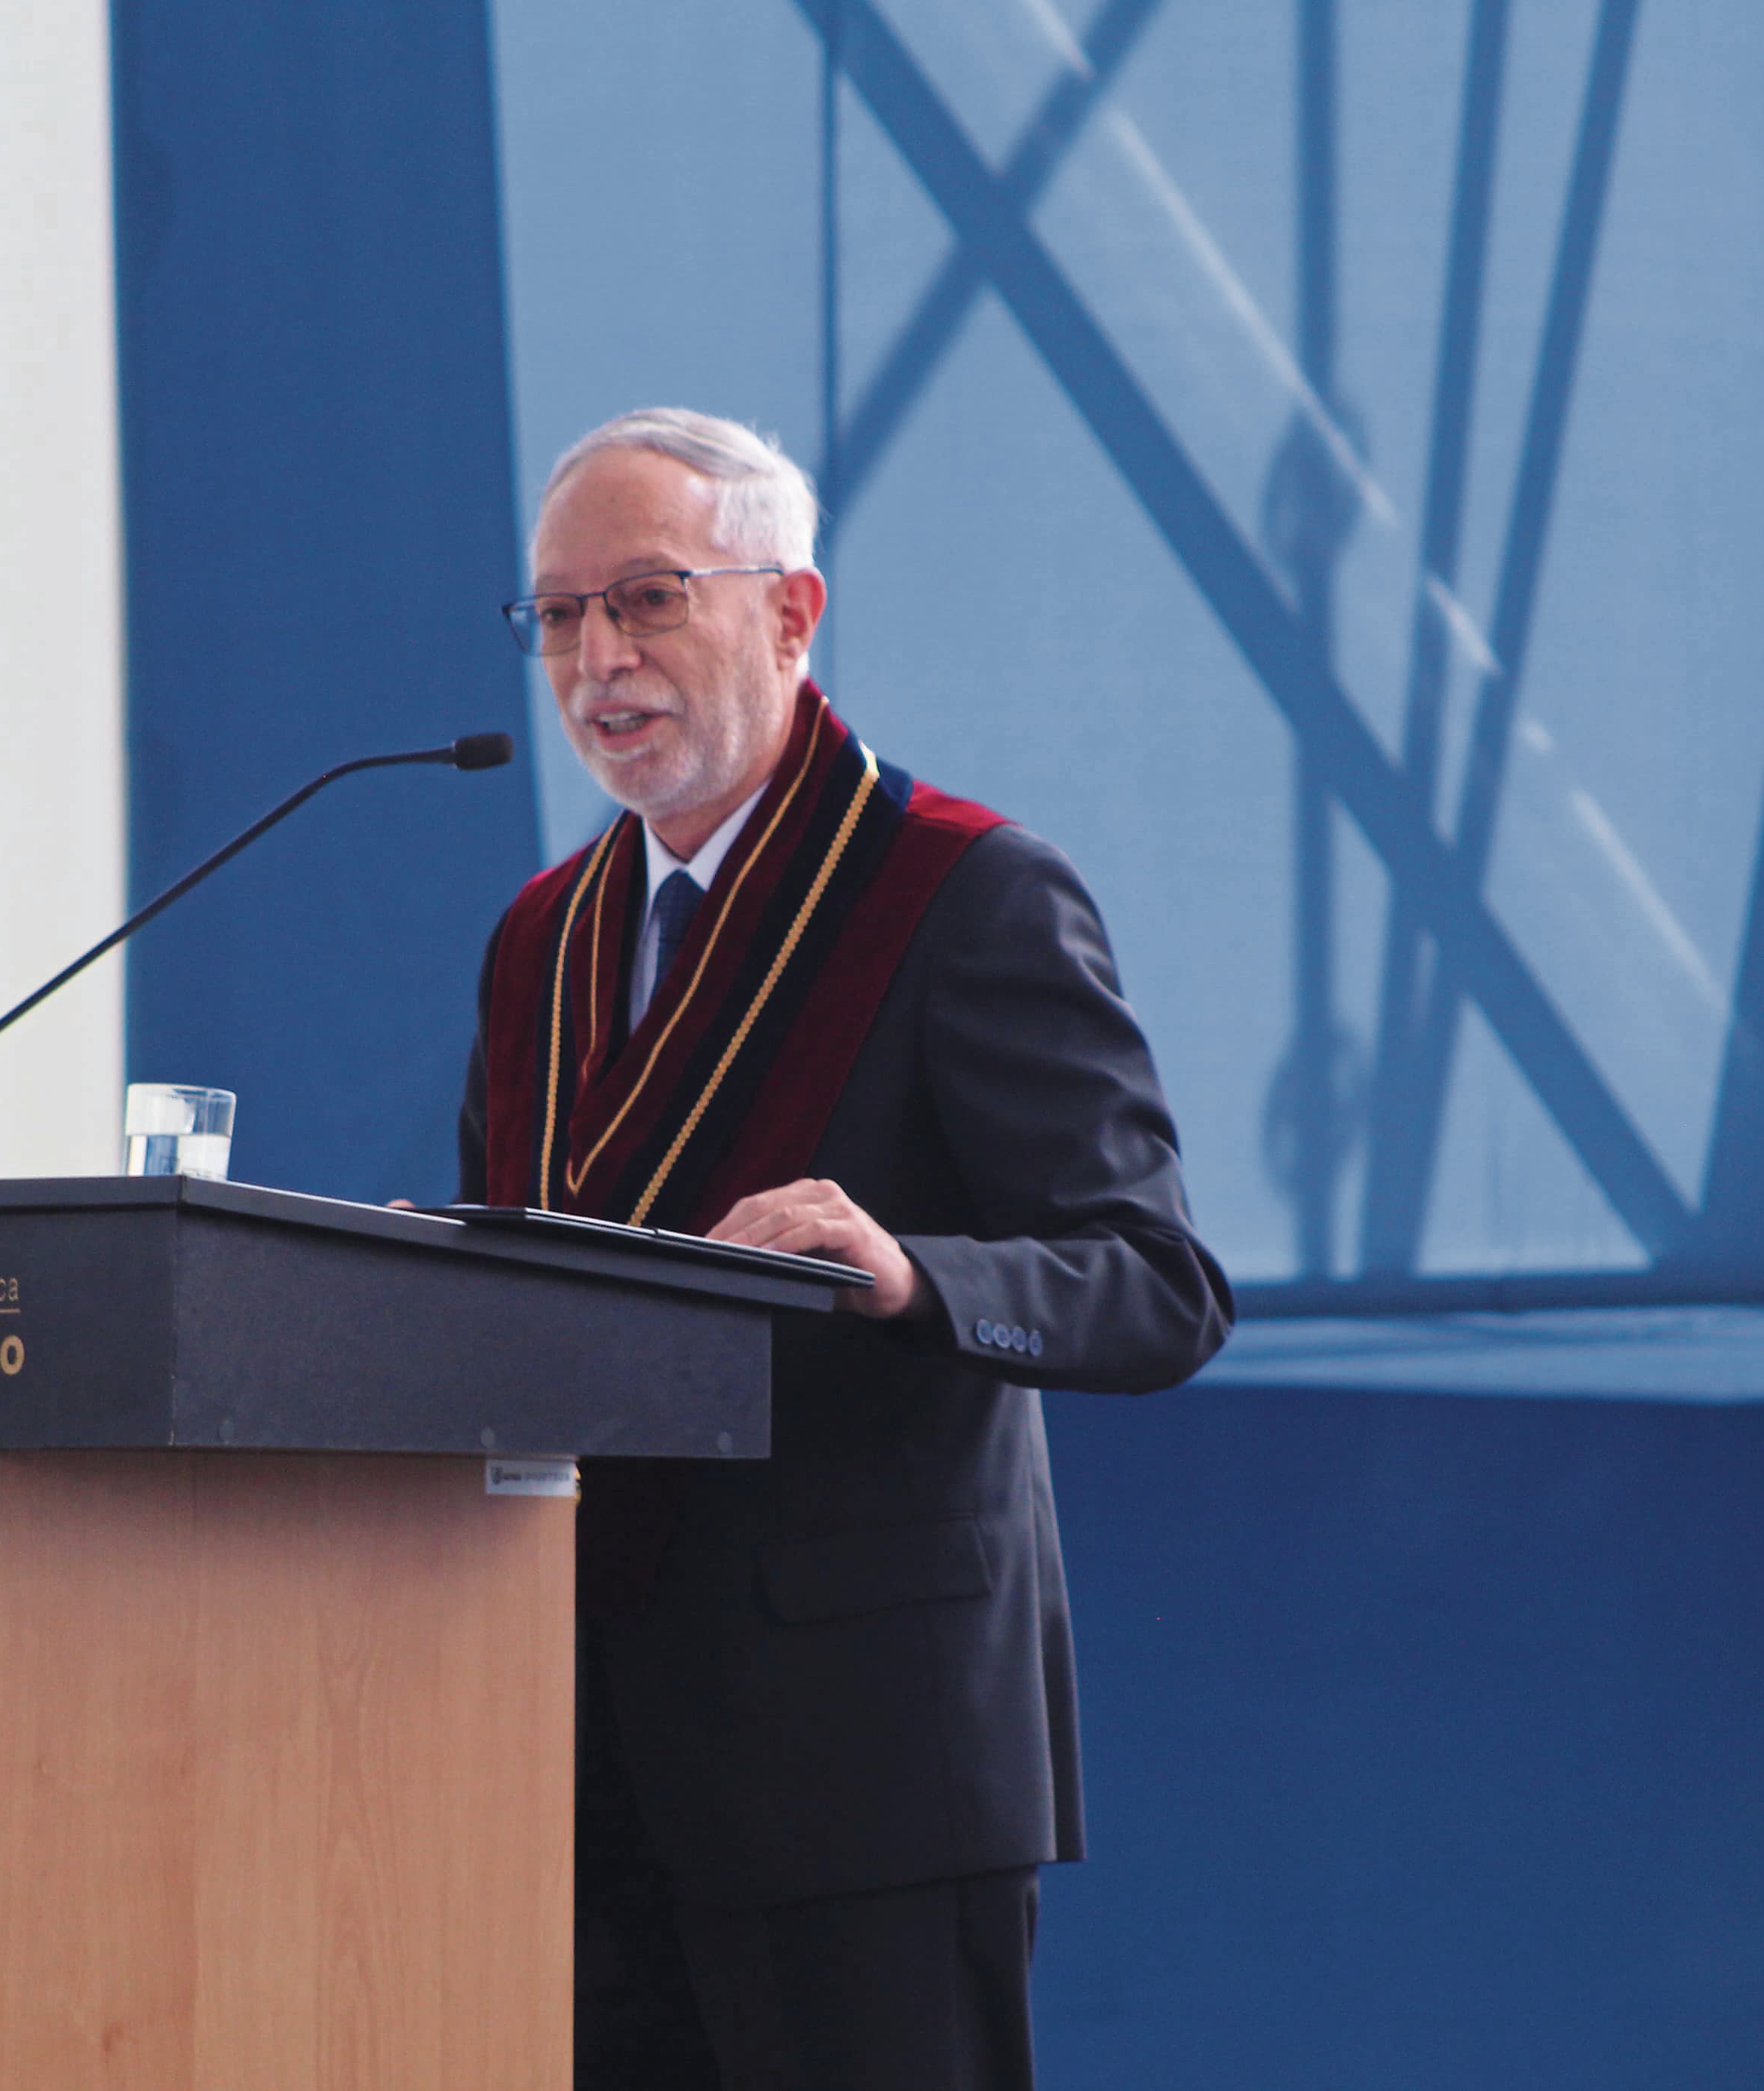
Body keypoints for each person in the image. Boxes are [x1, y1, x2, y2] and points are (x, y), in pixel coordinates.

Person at [458, 407, 1229, 2089]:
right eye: (562, 614)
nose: (598, 657)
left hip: (861, 1759)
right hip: (570, 1750)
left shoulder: (959, 889)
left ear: (792, 616)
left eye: (650, 599)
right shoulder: (544, 936)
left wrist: (918, 1274)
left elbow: (1158, 1285)